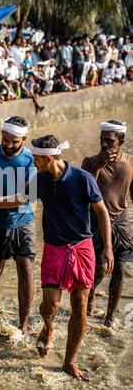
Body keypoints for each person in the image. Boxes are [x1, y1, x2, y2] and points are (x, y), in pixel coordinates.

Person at [0, 135, 114, 380]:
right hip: (54, 248)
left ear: (49, 158)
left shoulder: (82, 179)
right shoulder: (40, 179)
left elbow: (102, 213)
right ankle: (49, 325)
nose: (33, 162)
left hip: (83, 248)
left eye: (37, 159)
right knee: (50, 304)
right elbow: (19, 199)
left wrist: (107, 248)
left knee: (80, 305)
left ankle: (69, 360)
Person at [0, 116, 36, 334]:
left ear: (24, 139)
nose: (9, 145)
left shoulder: (31, 160)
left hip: (24, 221)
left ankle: (24, 322)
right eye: (6, 140)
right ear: (1, 135)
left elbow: (26, 196)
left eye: (15, 142)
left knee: (27, 270)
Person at [81, 120, 133, 326]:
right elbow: (85, 192)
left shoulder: (130, 163)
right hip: (95, 220)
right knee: (100, 269)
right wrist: (97, 166)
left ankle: (110, 317)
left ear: (120, 142)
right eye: (102, 140)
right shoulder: (89, 162)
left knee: (120, 268)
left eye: (109, 141)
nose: (104, 145)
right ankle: (89, 298)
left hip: (120, 221)